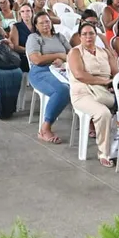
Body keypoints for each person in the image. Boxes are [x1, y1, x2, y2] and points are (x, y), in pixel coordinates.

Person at [69, 22, 119, 167]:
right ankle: (104, 153)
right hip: (83, 93)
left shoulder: (105, 52)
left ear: (96, 35)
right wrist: (104, 81)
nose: (88, 37)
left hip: (105, 90)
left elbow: (116, 73)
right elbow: (80, 75)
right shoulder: (75, 52)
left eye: (91, 33)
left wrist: (113, 84)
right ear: (80, 37)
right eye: (84, 34)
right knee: (103, 113)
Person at [25, 13, 71, 144]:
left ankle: (90, 123)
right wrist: (58, 55)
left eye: (48, 21)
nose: (46, 25)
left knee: (83, 86)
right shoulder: (34, 38)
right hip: (41, 71)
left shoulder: (59, 37)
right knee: (62, 90)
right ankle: (45, 128)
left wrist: (62, 59)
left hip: (62, 69)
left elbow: (72, 55)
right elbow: (37, 59)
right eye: (42, 23)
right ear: (36, 26)